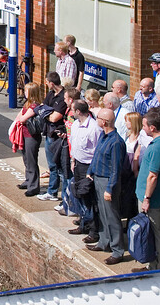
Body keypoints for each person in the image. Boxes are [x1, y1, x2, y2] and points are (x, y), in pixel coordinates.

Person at [133, 108, 160, 271]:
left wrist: (147, 198)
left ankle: (155, 266)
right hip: (151, 197)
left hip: (152, 199)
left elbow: (153, 176)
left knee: (153, 232)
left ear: (152, 127)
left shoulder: (159, 147)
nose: (142, 128)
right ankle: (151, 263)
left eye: (144, 125)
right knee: (150, 231)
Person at [85, 108, 127, 265]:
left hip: (107, 182)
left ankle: (117, 250)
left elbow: (116, 169)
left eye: (98, 118)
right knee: (102, 214)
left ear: (104, 121)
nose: (96, 120)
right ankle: (104, 242)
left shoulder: (116, 142)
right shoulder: (104, 136)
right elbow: (96, 155)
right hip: (98, 179)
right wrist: (90, 171)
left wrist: (109, 189)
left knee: (112, 216)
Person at [67, 100, 101, 243]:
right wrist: (73, 161)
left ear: (78, 112)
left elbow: (97, 151)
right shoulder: (75, 125)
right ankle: (83, 223)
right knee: (79, 196)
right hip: (78, 165)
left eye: (73, 110)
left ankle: (94, 231)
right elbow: (74, 144)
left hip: (88, 167)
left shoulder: (94, 128)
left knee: (89, 198)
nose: (71, 112)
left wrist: (92, 171)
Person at [39, 72, 69, 202]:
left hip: (57, 136)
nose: (46, 84)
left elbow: (54, 117)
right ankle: (53, 192)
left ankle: (59, 195)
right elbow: (41, 107)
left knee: (58, 167)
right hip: (49, 133)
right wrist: (47, 112)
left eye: (47, 82)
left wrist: (46, 112)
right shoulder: (51, 94)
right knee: (52, 165)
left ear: (51, 83)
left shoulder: (63, 97)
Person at [15, 82, 44, 197]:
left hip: (32, 136)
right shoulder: (27, 104)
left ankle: (34, 186)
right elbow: (18, 116)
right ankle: (28, 181)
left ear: (31, 92)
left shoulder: (34, 106)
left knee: (31, 160)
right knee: (26, 158)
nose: (24, 92)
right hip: (25, 135)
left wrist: (19, 120)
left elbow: (22, 119)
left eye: (26, 91)